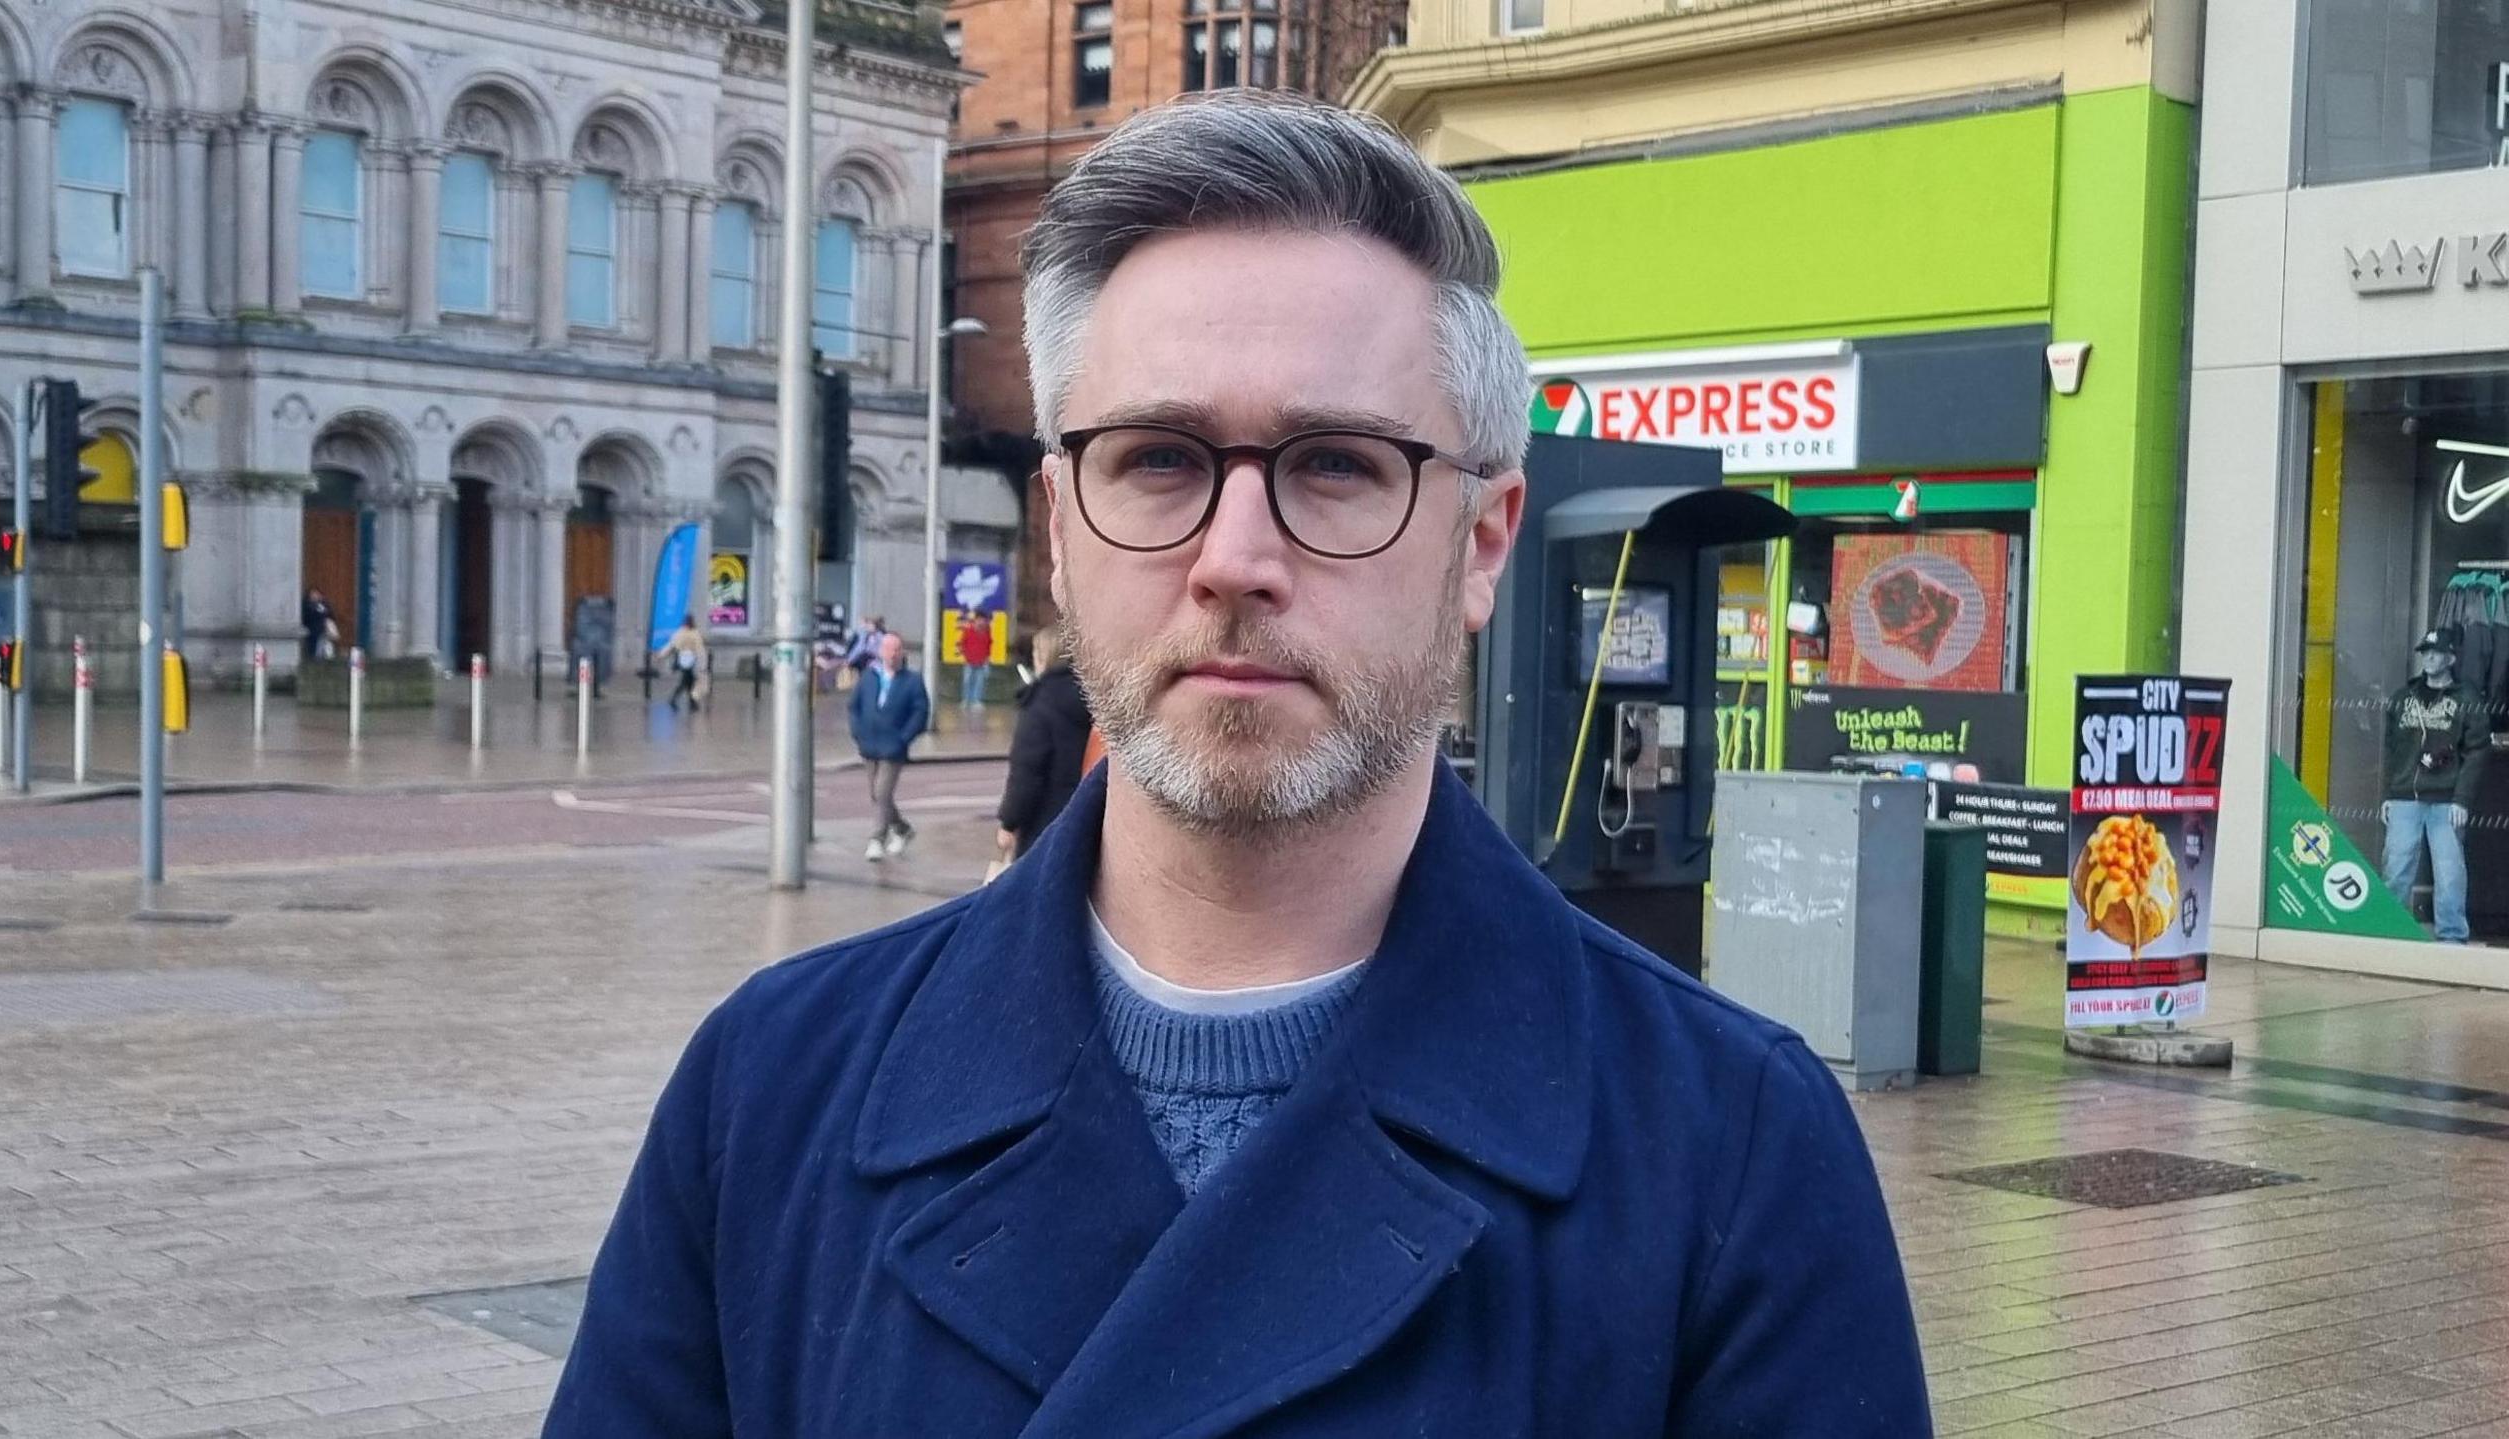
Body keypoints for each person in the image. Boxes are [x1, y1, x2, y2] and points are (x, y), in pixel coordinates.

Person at [548, 93, 1929, 1436]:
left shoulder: (1733, 1152)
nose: (1234, 559)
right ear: (1061, 527)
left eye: (1336, 464)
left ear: (1483, 542)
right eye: (1157, 458)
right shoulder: (771, 1096)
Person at [2383, 626, 2487, 944]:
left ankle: (2452, 937)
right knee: (2396, 867)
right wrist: (2390, 792)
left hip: (2446, 800)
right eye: (2425, 652)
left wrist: (2462, 800)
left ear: (2451, 657)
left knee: (2449, 871)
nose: (2428, 657)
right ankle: (2388, 930)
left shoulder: (2467, 699)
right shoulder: (2404, 697)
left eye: (2436, 652)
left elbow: (2477, 751)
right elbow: (2394, 749)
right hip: (2405, 797)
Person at [996, 629, 1094, 859]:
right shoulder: (1095, 699)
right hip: (1089, 815)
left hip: (1044, 822)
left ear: (1042, 658)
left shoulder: (1040, 702)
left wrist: (1009, 822)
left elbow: (1027, 770)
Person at [848, 630, 928, 861]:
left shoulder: (912, 681)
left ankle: (877, 838)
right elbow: (854, 707)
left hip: (893, 747)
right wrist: (858, 732)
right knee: (876, 794)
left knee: (883, 792)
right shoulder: (869, 677)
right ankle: (903, 829)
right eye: (888, 649)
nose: (892, 654)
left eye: (896, 649)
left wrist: (904, 737)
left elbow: (920, 712)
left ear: (902, 652)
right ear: (881, 651)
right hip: (869, 745)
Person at [655, 615, 706, 712]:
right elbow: (700, 650)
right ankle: (677, 700)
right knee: (686, 682)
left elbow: (670, 645)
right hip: (691, 660)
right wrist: (703, 663)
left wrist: (661, 655)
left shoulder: (680, 633)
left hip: (682, 659)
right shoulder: (695, 633)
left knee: (689, 681)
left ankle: (691, 703)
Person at [958, 613, 995, 710]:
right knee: (967, 681)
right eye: (979, 620)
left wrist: (987, 658)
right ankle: (966, 700)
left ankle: (976, 701)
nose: (981, 622)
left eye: (983, 620)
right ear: (975, 620)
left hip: (982, 662)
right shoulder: (968, 631)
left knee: (979, 682)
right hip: (969, 661)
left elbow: (989, 645)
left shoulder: (987, 631)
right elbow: (963, 643)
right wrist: (966, 655)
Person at [299, 588, 337, 666]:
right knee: (318, 636)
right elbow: (307, 618)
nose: (315, 596)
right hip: (312, 627)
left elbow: (331, 615)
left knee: (326, 636)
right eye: (313, 594)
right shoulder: (307, 605)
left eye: (316, 594)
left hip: (323, 626)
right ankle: (316, 657)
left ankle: (327, 657)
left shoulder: (323, 604)